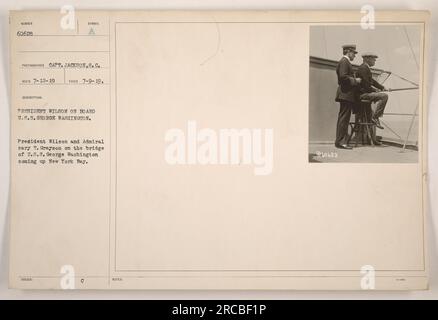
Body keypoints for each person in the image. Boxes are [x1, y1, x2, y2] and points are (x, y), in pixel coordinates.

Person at [334, 44, 362, 149]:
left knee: (343, 119)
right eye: (353, 53)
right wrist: (356, 80)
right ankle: (341, 142)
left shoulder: (344, 62)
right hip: (346, 94)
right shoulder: (344, 62)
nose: (354, 56)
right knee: (344, 119)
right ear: (348, 52)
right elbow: (343, 77)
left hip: (346, 95)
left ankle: (340, 141)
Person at [356, 52, 390, 130]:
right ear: (367, 59)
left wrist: (382, 87)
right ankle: (375, 117)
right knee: (384, 96)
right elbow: (365, 85)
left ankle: (374, 118)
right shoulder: (363, 68)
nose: (375, 60)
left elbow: (372, 81)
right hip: (362, 95)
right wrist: (375, 90)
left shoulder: (365, 68)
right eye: (373, 59)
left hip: (364, 93)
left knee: (382, 95)